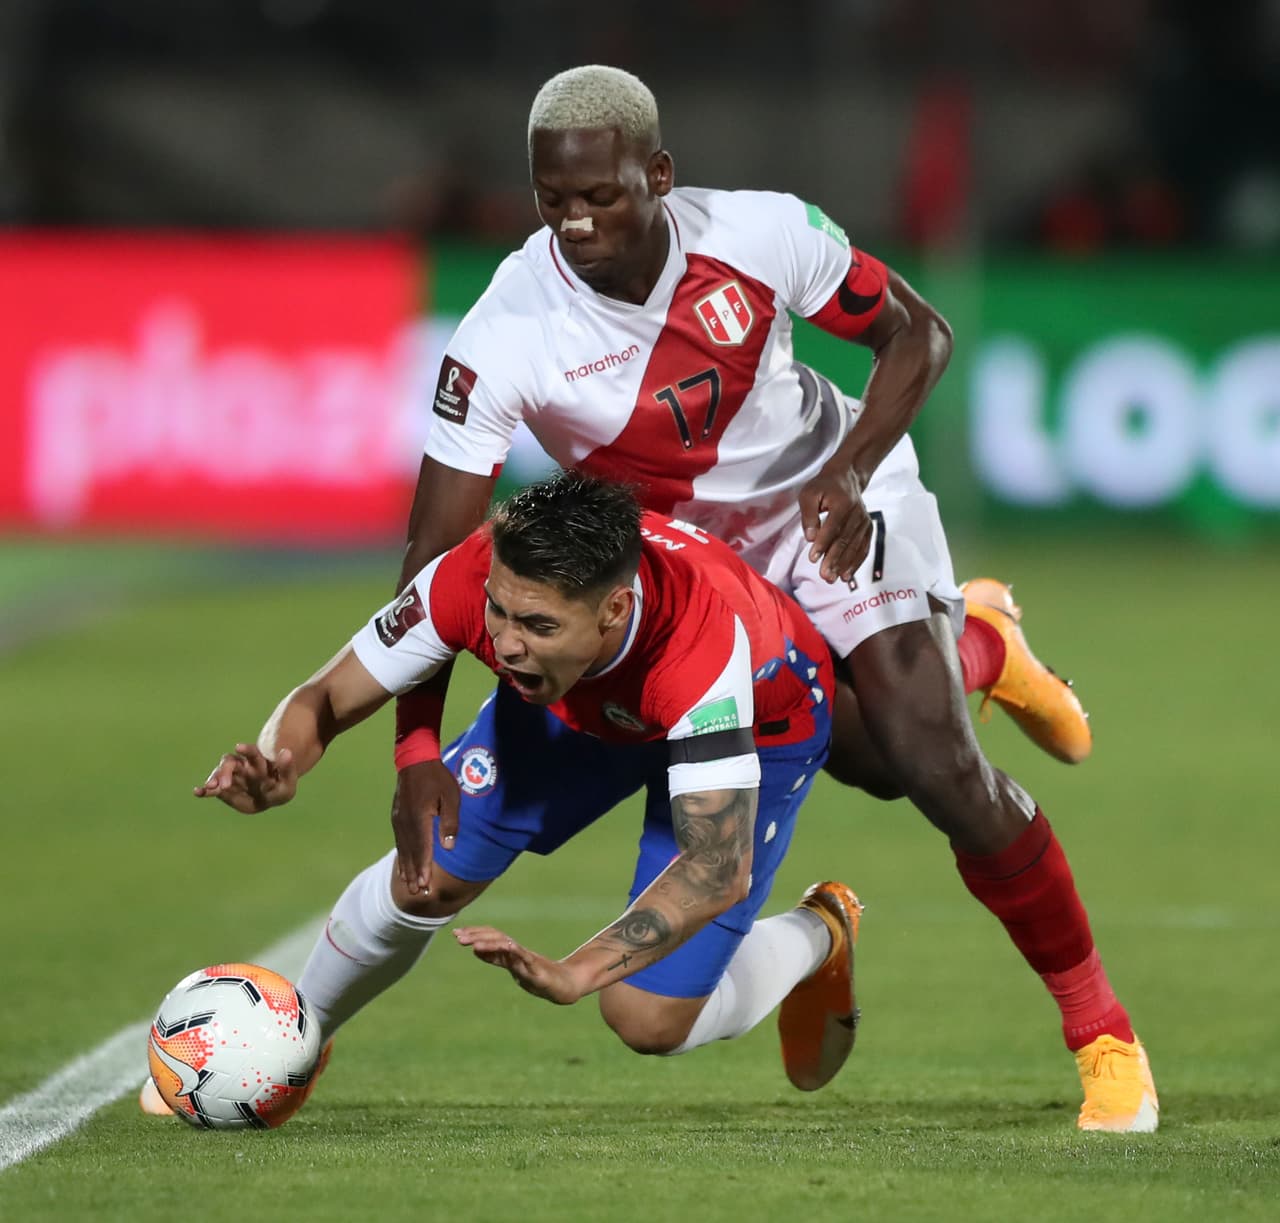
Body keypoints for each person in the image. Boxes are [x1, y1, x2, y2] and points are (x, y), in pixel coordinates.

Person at [146, 64, 1154, 1132]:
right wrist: (413, 752)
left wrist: (852, 470)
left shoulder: (761, 235)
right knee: (863, 759)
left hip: (825, 506)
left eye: (601, 197)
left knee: (932, 763)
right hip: (644, 578)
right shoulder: (506, 332)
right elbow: (438, 565)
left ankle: (1100, 1032)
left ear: (659, 175)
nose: (574, 223)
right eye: (551, 201)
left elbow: (919, 334)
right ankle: (980, 647)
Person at [183, 473, 863, 1090]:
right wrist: (282, 762)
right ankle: (295, 1043)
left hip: (767, 718)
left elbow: (717, 868)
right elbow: (329, 695)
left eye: (536, 625)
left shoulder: (698, 651)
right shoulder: (479, 572)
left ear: (614, 611)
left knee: (646, 1017)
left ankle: (820, 931)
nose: (504, 644)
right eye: (498, 613)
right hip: (580, 699)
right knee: (429, 875)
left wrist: (577, 972)